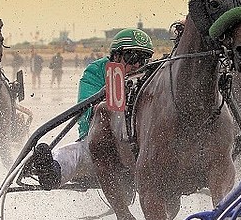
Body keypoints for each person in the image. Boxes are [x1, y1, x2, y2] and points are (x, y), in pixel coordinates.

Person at [27, 28, 154, 189]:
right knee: (76, 154)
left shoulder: (151, 75)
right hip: (101, 142)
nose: (137, 65)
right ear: (116, 56)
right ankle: (51, 171)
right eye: (131, 57)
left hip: (139, 145)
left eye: (143, 59)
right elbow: (87, 109)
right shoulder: (96, 71)